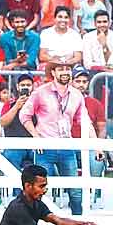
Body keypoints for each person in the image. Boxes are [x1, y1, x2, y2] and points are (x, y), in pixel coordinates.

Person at [20, 61, 99, 215]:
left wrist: (96, 144)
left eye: (68, 69)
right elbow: (24, 115)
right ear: (53, 73)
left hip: (66, 147)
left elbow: (84, 121)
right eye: (61, 69)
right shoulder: (40, 92)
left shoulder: (76, 95)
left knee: (75, 191)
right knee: (39, 191)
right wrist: (35, 137)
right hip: (45, 148)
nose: (65, 72)